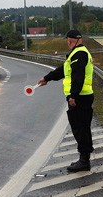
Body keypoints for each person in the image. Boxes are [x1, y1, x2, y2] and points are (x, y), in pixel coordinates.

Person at [38, 29, 94, 172]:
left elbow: (78, 77)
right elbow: (62, 70)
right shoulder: (77, 54)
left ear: (73, 40)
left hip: (80, 98)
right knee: (82, 127)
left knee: (80, 128)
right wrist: (47, 78)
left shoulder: (79, 54)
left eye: (68, 40)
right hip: (83, 96)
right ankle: (84, 158)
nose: (67, 42)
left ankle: (84, 160)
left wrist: (73, 96)